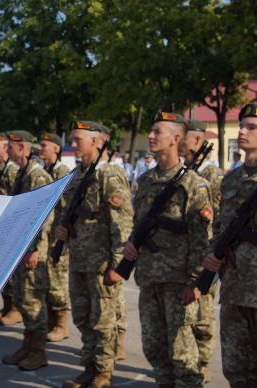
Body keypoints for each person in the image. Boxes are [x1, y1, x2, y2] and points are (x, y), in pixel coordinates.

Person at [121, 112, 212, 387]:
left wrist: (196, 281)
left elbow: (202, 239)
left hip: (177, 282)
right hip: (149, 278)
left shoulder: (194, 185)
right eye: (150, 131)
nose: (150, 136)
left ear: (175, 139)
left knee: (183, 356)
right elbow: (138, 222)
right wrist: (130, 244)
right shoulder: (146, 180)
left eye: (157, 132)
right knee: (155, 349)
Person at [55, 121, 133, 388]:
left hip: (100, 262)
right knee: (83, 317)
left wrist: (118, 263)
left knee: (103, 320)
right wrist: (63, 233)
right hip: (79, 259)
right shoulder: (78, 174)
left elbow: (121, 222)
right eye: (73, 139)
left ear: (98, 142)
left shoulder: (109, 175)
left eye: (79, 139)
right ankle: (88, 368)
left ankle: (103, 372)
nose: (74, 144)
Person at [203, 102, 257, 388]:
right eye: (243, 125)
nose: (244, 132)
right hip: (235, 286)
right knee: (235, 368)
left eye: (252, 127)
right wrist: (213, 253)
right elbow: (220, 226)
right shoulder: (232, 178)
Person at [1, 130, 53, 371]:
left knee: (33, 300)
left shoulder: (37, 176)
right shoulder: (22, 173)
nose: (6, 150)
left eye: (11, 146)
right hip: (20, 246)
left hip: (33, 248)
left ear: (22, 148)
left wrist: (34, 249)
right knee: (22, 297)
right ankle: (27, 345)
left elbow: (42, 216)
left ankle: (38, 351)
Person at [182, 119, 224, 382]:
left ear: (196, 141)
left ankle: (203, 361)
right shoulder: (185, 172)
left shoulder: (215, 176)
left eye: (183, 137)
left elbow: (220, 220)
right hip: (188, 253)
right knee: (188, 315)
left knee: (203, 316)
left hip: (209, 255)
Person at [38, 131, 71, 343]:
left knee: (58, 281)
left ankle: (61, 324)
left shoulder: (63, 172)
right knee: (48, 280)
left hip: (58, 236)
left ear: (56, 149)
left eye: (44, 146)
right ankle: (52, 321)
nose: (40, 149)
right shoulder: (45, 171)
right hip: (47, 236)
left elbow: (67, 208)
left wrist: (65, 238)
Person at [0, 132, 22, 325]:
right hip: (1, 227)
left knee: (13, 273)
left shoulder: (12, 170)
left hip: (11, 227)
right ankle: (9, 305)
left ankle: (15, 307)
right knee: (4, 274)